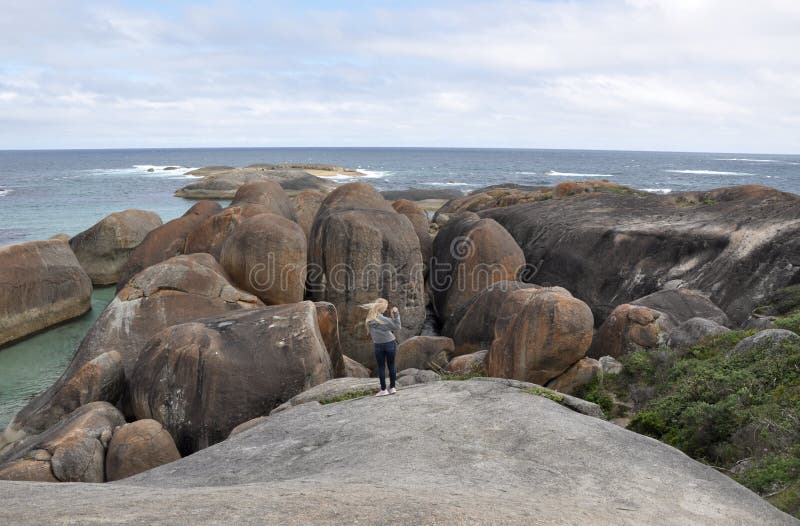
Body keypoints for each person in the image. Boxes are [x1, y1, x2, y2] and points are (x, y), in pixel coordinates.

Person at [362, 298, 400, 396]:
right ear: (381, 308)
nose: (385, 309)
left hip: (378, 345)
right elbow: (397, 326)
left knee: (381, 367)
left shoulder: (369, 319)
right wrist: (396, 314)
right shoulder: (384, 320)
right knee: (391, 365)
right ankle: (392, 388)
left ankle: (383, 389)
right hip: (390, 343)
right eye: (385, 308)